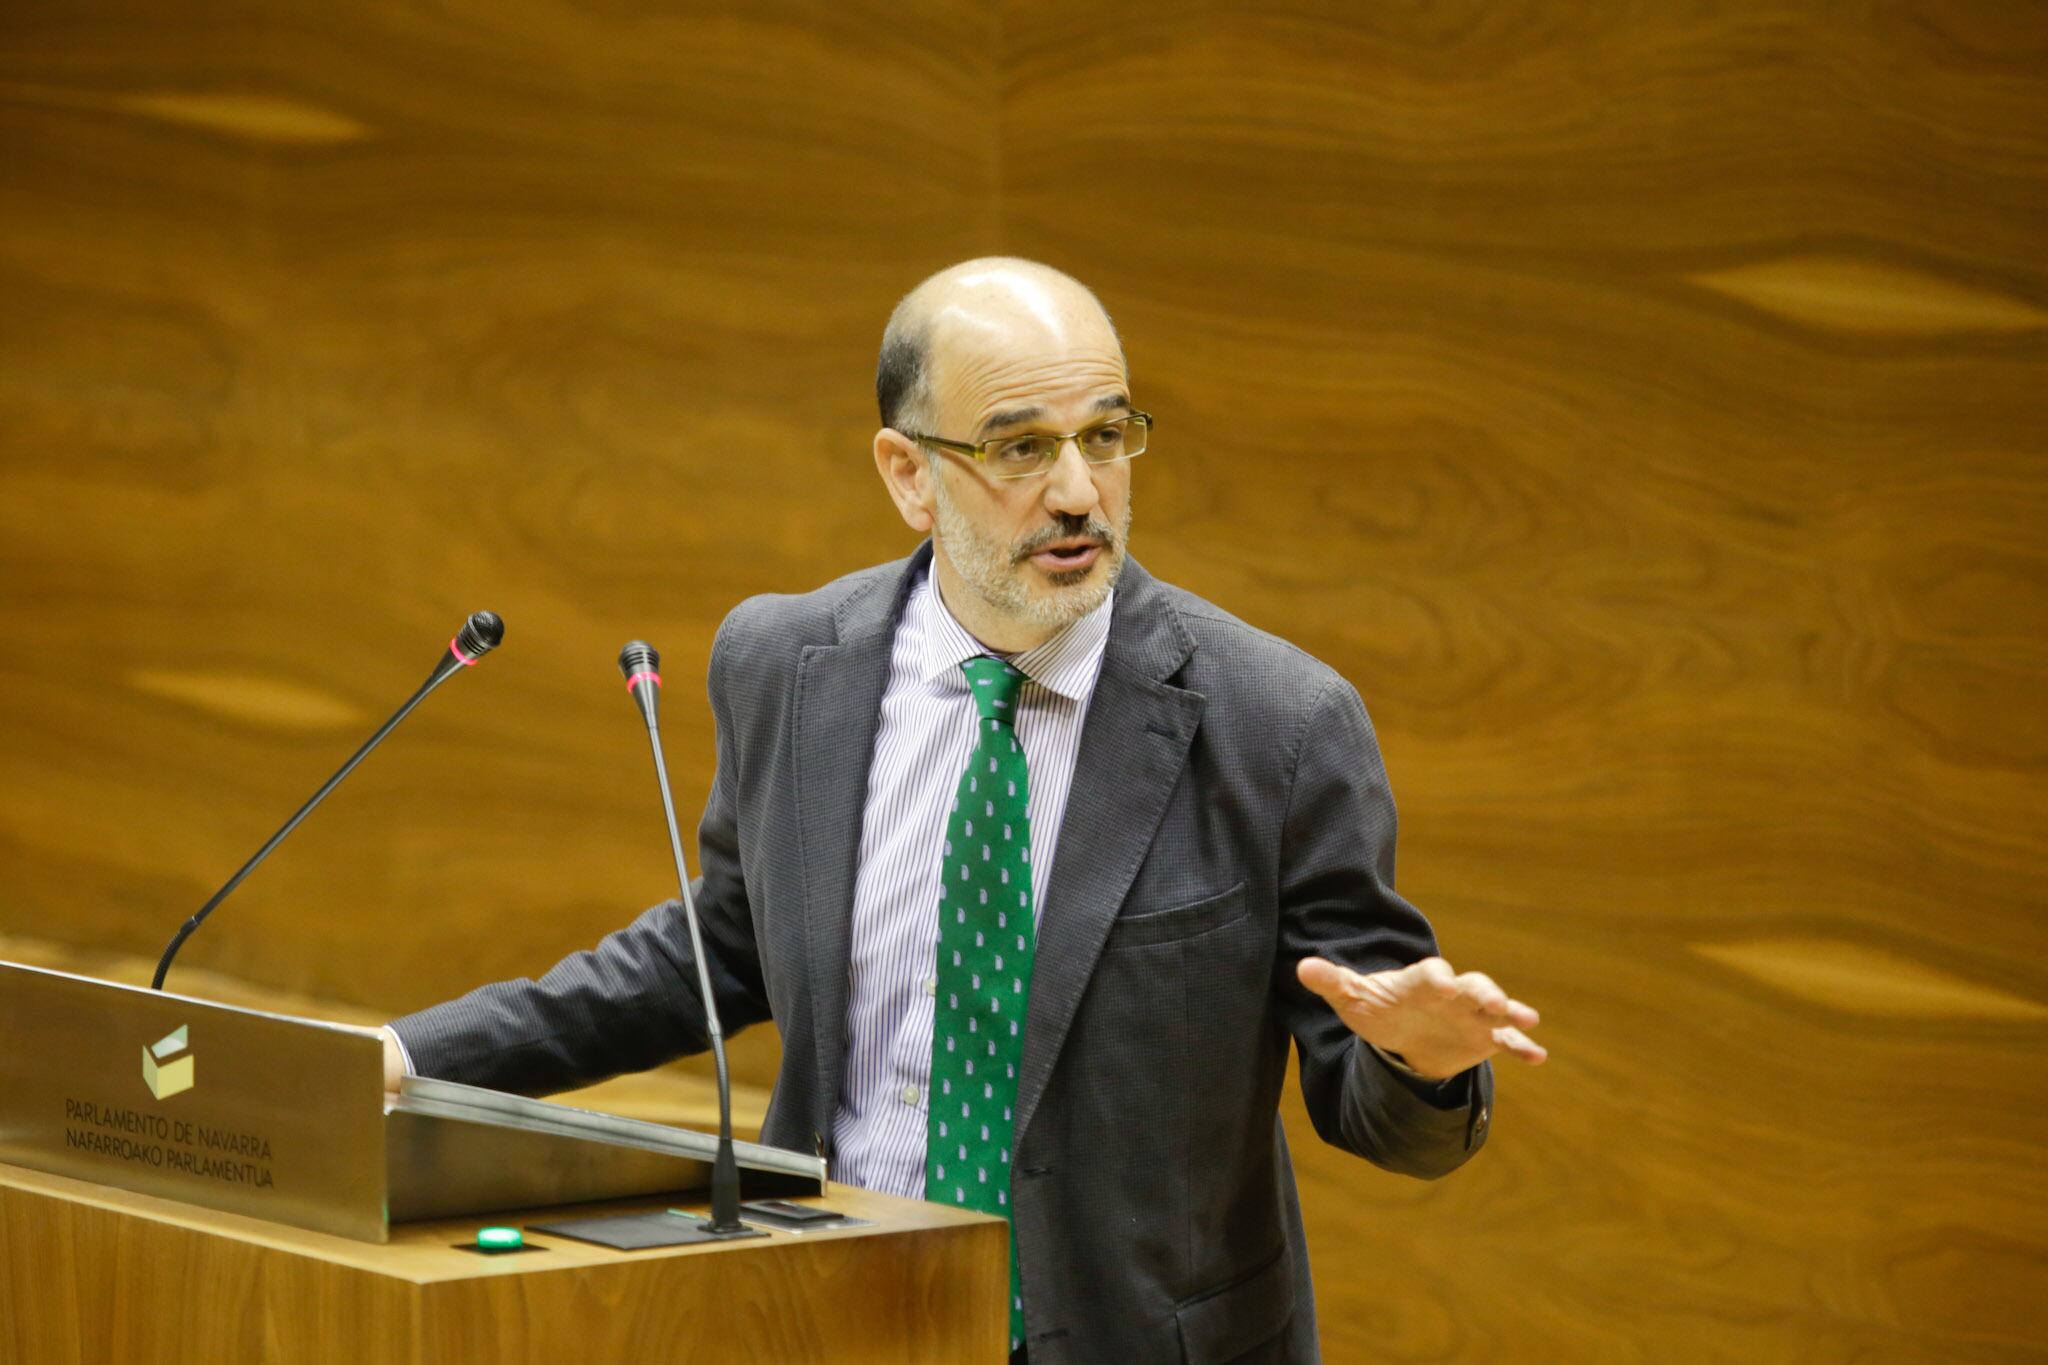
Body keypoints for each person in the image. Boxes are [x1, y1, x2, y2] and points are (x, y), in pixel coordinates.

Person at [383, 258, 1545, 1364]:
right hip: (834, 1311)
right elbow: (720, 951)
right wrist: (404, 1057)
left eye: (1104, 435)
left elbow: (1375, 1091)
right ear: (905, 472)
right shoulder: (786, 664)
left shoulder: (1274, 723)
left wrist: (1421, 1067)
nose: (1078, 492)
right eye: (1020, 448)